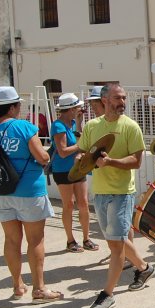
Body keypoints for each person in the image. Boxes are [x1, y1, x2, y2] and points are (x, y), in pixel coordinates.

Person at [0, 87, 62, 304]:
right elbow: (42, 158)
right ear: (12, 107)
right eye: (18, 105)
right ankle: (39, 289)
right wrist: (48, 153)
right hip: (29, 191)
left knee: (11, 239)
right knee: (35, 240)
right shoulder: (24, 127)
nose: (20, 109)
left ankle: (18, 285)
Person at [80, 84, 155, 308]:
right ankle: (144, 268)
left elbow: (136, 161)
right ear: (104, 100)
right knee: (118, 240)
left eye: (123, 98)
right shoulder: (92, 126)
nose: (122, 102)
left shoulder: (131, 127)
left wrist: (110, 161)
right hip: (100, 193)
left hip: (122, 193)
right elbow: (83, 152)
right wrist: (83, 158)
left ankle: (108, 294)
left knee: (115, 244)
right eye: (116, 98)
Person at [50, 93, 97, 254]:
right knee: (69, 204)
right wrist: (80, 146)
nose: (79, 109)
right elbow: (63, 151)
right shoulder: (58, 126)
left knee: (83, 203)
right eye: (77, 107)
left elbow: (78, 138)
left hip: (78, 168)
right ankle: (70, 240)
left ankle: (86, 238)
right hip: (63, 170)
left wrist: (78, 122)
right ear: (70, 109)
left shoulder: (71, 124)